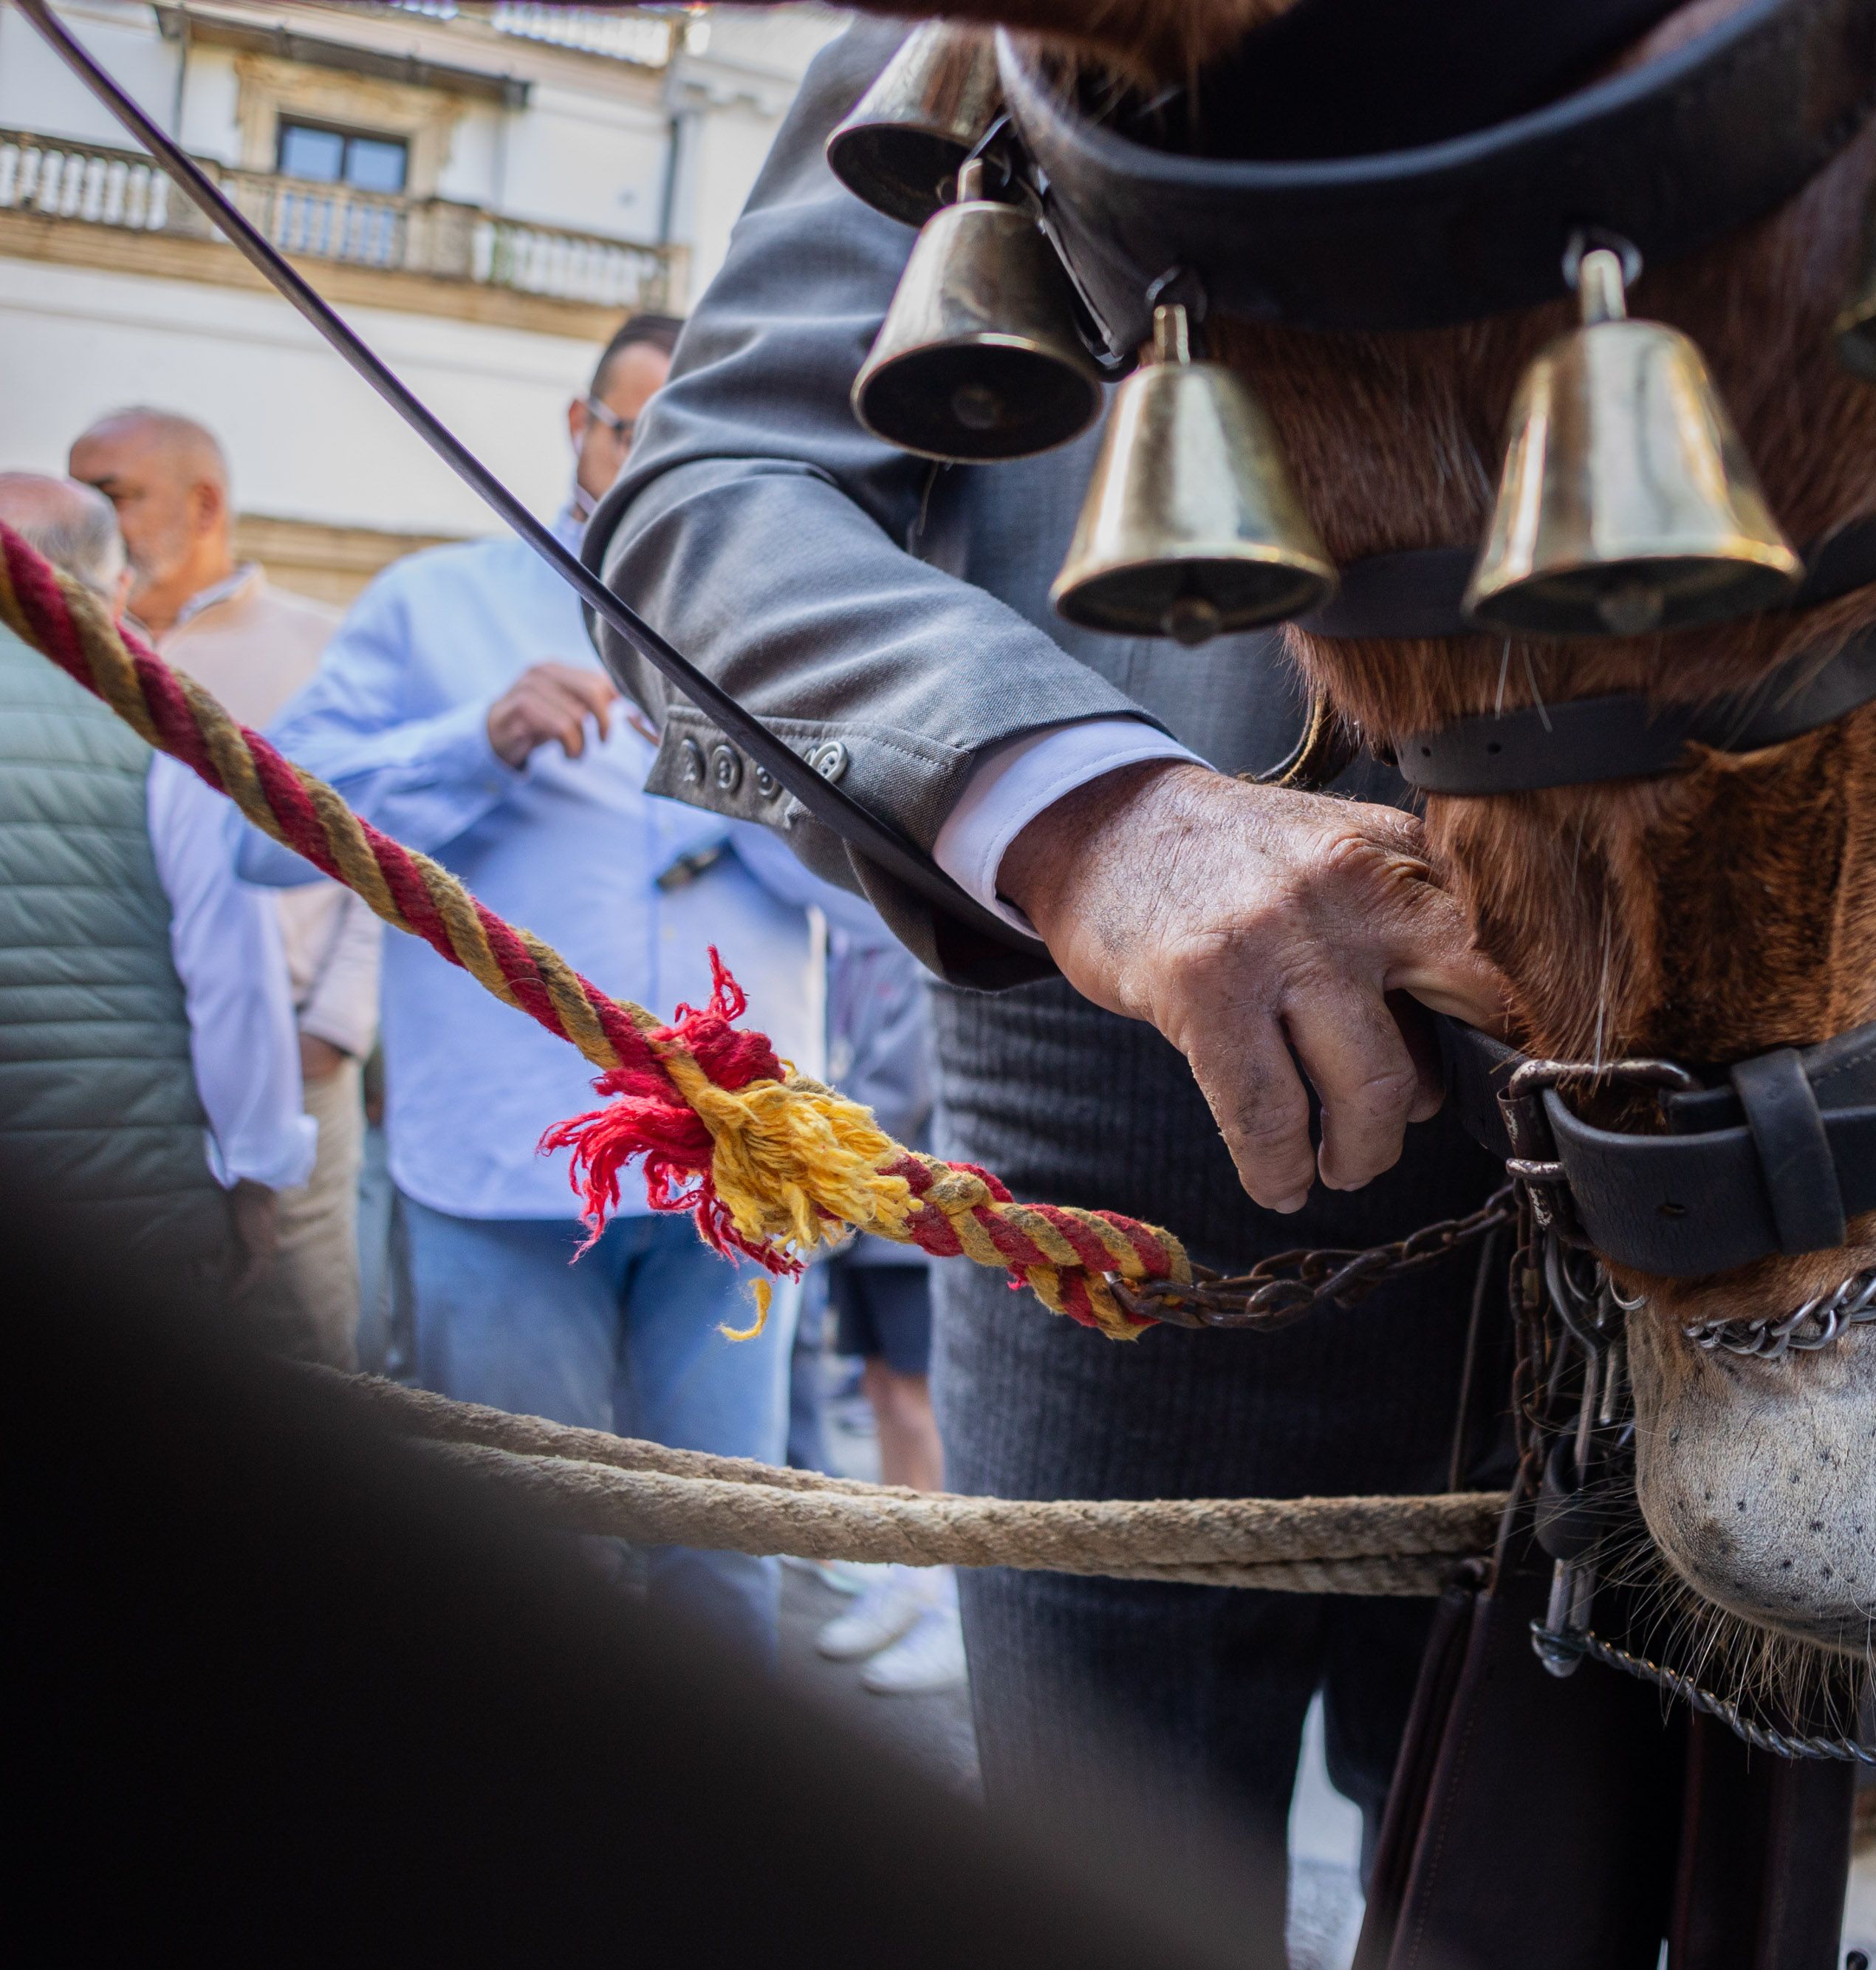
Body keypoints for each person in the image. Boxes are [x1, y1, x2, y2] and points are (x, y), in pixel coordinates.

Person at [589, 25, 1507, 1955]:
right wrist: (1093, 814)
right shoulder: (964, 47)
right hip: (1126, 1159)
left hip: (1678, 1170)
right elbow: (705, 509)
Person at [270, 315, 866, 1663]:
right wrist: (471, 745)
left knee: (728, 1564)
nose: (658, 462)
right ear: (577, 425)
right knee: (524, 1574)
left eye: (695, 437)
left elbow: (883, 915)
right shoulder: (434, 604)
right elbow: (268, 829)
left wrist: (759, 793)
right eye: (631, 426)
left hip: (737, 1181)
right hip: (503, 1170)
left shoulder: (800, 638)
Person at [69, 409, 377, 1367]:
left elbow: (386, 851)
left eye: (112, 493)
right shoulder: (61, 657)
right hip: (114, 1069)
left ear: (204, 504)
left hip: (292, 1056)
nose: (92, 514)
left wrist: (334, 1025)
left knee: (301, 1346)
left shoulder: (326, 648)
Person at [0, 472, 315, 1315]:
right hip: (124, 1220)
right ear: (116, 590)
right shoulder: (157, 728)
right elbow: (233, 982)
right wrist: (257, 1170)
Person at [808, 926, 963, 1697]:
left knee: (916, 1398)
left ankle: (951, 1600)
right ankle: (907, 1572)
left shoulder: (911, 940)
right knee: (879, 1390)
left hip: (909, 1205)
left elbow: (901, 1083)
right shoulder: (844, 941)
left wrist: (822, 1156)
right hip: (858, 1209)